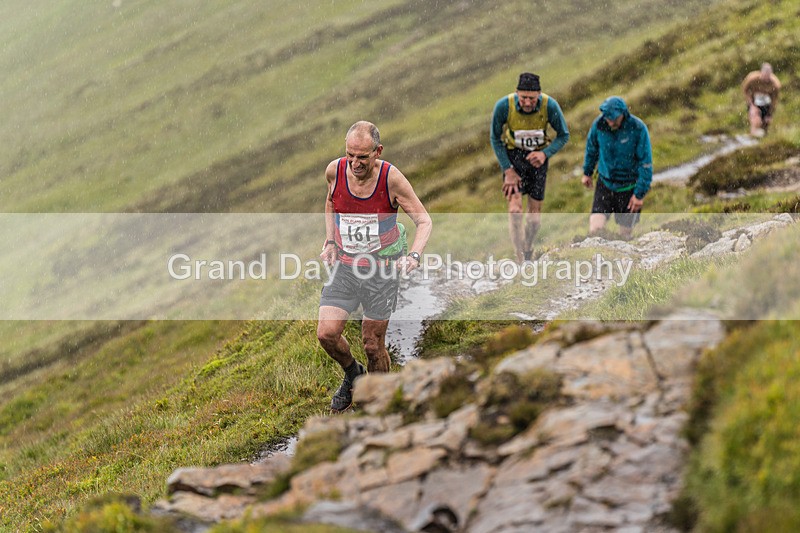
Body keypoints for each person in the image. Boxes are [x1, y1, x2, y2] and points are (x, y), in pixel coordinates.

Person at [318, 121, 432, 412]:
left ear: (377, 151)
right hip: (345, 265)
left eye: (363, 157)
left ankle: (381, 402)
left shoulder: (391, 179)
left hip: (382, 269)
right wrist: (330, 241)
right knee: (326, 334)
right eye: (350, 155)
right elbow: (331, 202)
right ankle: (353, 375)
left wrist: (414, 256)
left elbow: (424, 221)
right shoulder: (335, 170)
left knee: (372, 344)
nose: (354, 163)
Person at [490, 72, 570, 263]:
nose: (527, 102)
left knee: (534, 220)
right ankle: (519, 257)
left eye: (532, 99)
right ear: (517, 93)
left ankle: (528, 249)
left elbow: (563, 135)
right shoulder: (503, 106)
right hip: (513, 160)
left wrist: (545, 154)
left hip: (537, 161)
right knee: (515, 211)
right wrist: (507, 170)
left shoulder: (549, 105)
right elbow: (495, 138)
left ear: (539, 95)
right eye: (523, 97)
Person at [581, 96, 652, 239]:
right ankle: (596, 258)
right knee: (595, 230)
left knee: (625, 236)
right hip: (605, 184)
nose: (610, 121)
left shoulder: (638, 128)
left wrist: (639, 195)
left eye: (614, 118)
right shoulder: (599, 125)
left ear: (623, 114)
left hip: (628, 187)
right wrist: (587, 173)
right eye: (608, 117)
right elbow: (591, 149)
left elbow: (645, 163)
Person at [742, 63, 781, 137]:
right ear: (761, 73)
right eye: (764, 76)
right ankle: (752, 136)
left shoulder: (775, 84)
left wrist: (770, 113)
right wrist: (751, 104)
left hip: (767, 104)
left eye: (768, 76)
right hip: (754, 101)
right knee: (755, 119)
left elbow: (775, 99)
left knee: (766, 122)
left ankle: (763, 137)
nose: (765, 79)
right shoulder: (752, 78)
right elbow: (745, 90)